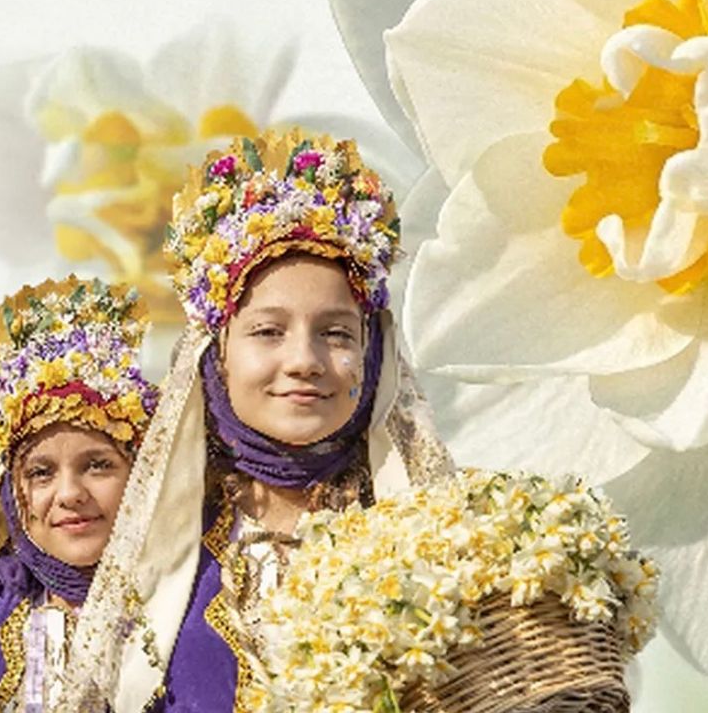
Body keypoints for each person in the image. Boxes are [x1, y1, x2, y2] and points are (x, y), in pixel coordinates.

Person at [62, 129, 454, 712]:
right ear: (217, 355)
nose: (304, 361)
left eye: (336, 334)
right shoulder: (158, 557)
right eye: (268, 331)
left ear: (373, 355)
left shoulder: (436, 539)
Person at [0, 276, 158, 711]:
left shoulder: (194, 611)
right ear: (11, 494)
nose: (69, 494)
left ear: (142, 473)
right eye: (41, 473)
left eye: (97, 465)